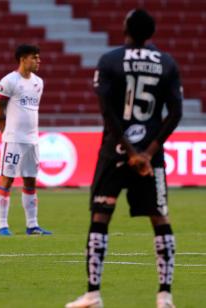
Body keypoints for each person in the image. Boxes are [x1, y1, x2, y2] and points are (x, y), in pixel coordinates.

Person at [66, 9, 182, 308]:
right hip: (150, 158)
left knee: (101, 216)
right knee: (160, 217)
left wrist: (129, 151)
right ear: (151, 32)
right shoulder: (167, 63)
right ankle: (165, 296)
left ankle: (93, 293)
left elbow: (108, 112)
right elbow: (176, 113)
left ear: (126, 29)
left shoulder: (110, 60)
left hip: (115, 153)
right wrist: (147, 153)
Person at [0, 44, 52, 236]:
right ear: (23, 59)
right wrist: (6, 133)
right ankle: (3, 226)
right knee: (7, 179)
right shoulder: (9, 81)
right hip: (14, 140)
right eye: (34, 57)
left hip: (32, 140)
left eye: (38, 57)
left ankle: (32, 225)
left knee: (30, 181)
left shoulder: (38, 82)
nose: (38, 61)